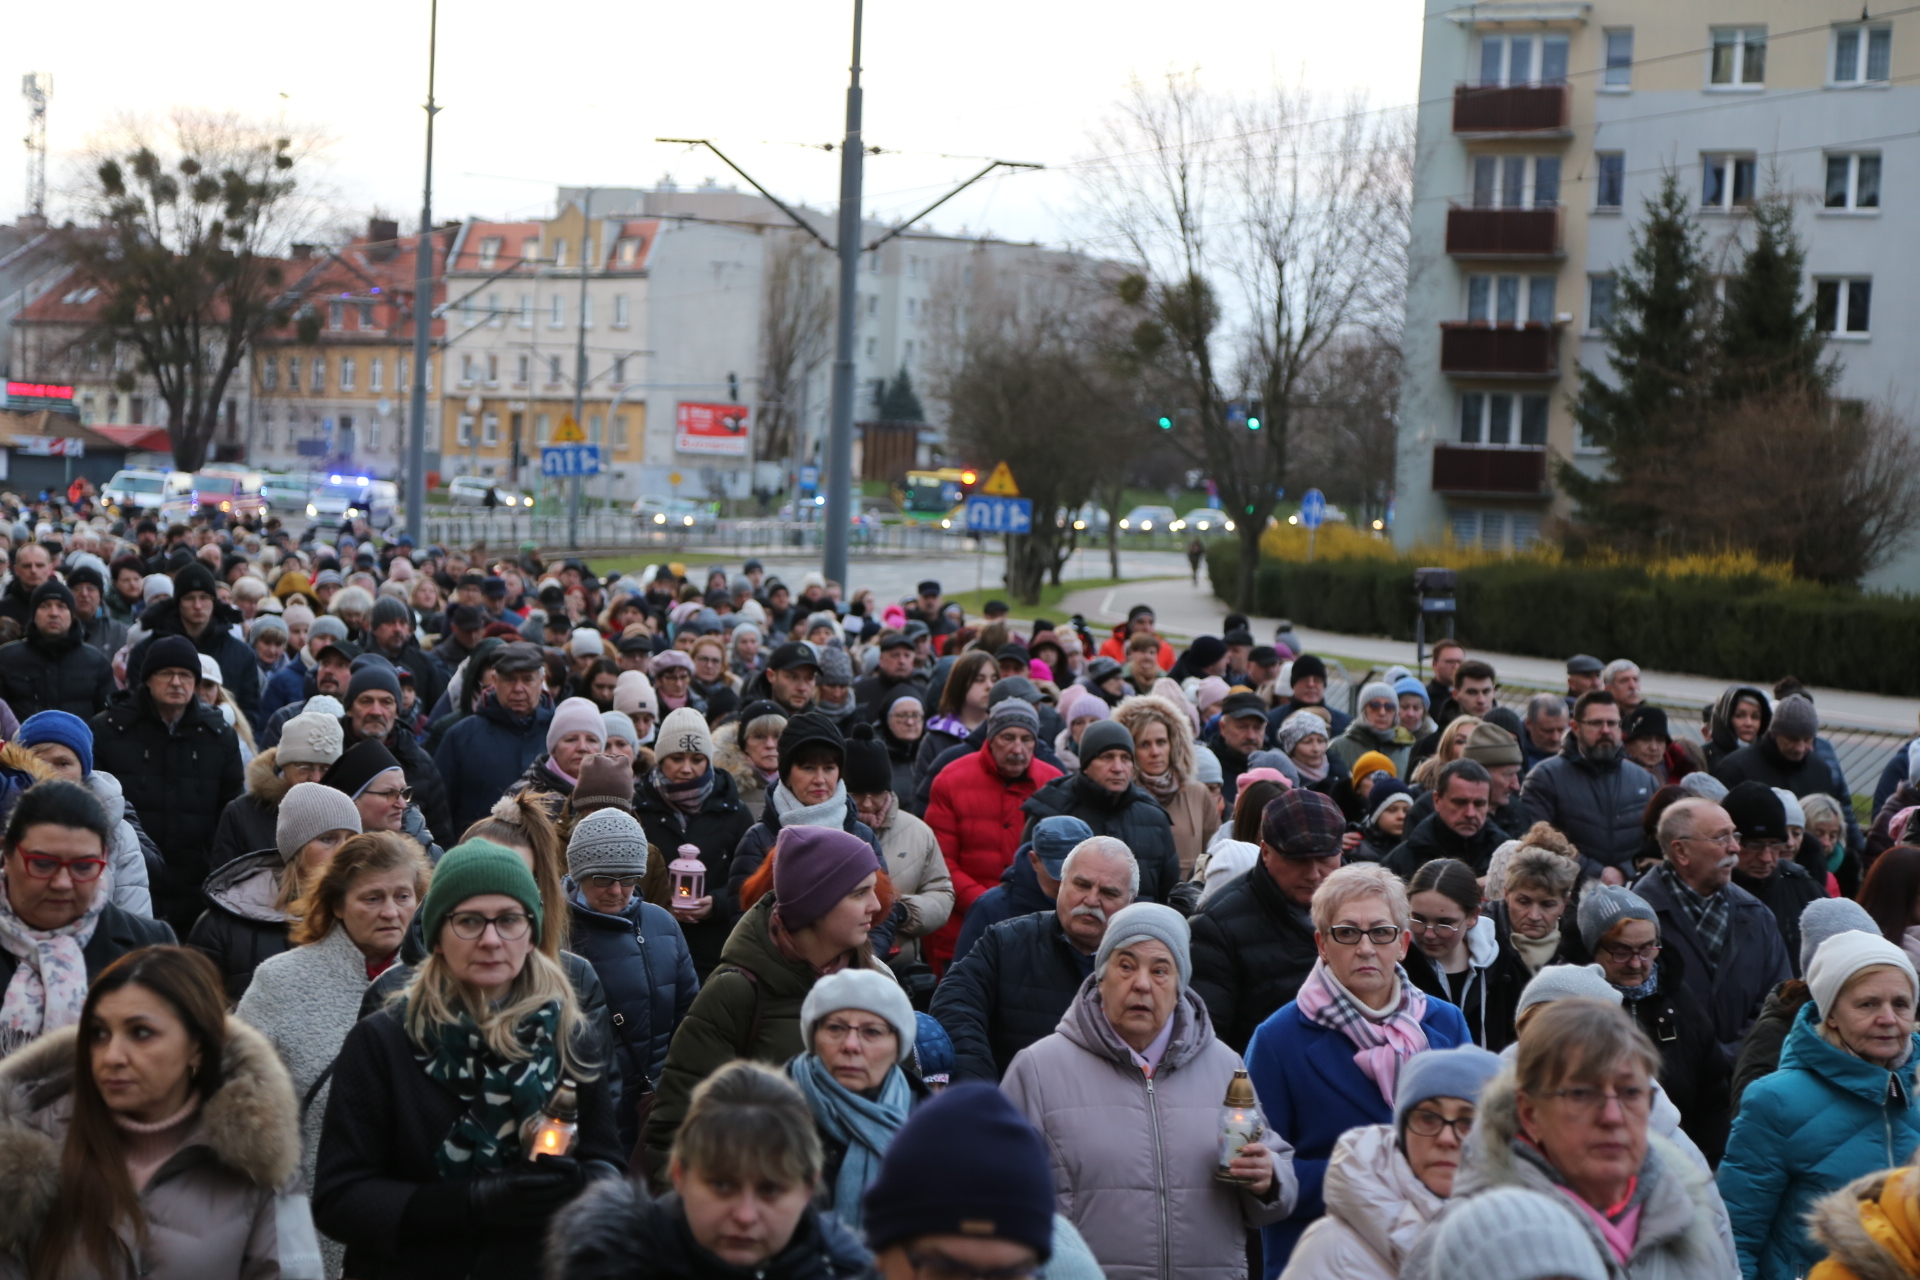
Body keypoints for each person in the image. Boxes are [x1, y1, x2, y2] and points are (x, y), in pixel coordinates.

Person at [313, 838, 623, 1280]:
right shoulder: (383, 1041)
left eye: (509, 920)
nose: (491, 940)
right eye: (469, 921)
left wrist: (574, 1187)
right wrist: (470, 1203)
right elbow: (340, 1199)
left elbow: (606, 1165)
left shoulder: (569, 1036)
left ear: (531, 933)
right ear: (438, 935)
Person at [1002, 903, 1296, 1280]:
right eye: (1126, 966)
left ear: (1179, 987)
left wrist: (1268, 1178)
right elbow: (998, 1197)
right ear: (1101, 977)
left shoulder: (1226, 1066)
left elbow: (1272, 1187)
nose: (1142, 984)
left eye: (1160, 970)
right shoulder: (1038, 1069)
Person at [0, 945, 319, 1280]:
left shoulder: (258, 1157)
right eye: (98, 1034)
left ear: (197, 1047)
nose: (112, 1056)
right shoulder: (27, 1150)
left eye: (141, 1033)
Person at [1398, 999, 1736, 1280]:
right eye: (1581, 1093)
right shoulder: (1469, 1241)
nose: (1612, 1116)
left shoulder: (1686, 1218)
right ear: (1530, 1114)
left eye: (1630, 1092)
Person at [1245, 863, 1472, 1273]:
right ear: (1322, 943)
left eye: (1381, 932)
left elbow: (1477, 1146)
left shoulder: (1446, 1023)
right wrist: (1380, 1177)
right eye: (1347, 933)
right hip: (1326, 1260)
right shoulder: (1277, 1039)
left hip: (1432, 1258)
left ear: (1403, 943)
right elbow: (1267, 1175)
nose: (1366, 948)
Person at [644, 826, 890, 1183]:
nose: (876, 905)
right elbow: (675, 1131)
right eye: (859, 893)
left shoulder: (875, 985)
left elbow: (905, 1114)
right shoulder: (736, 991)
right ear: (815, 903)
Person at [236, 830, 430, 1275]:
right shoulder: (280, 982)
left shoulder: (446, 983)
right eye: (372, 898)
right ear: (338, 904)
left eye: (403, 896)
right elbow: (237, 1101)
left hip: (411, 1233)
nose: (391, 912)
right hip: (304, 1229)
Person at [548, 1061, 871, 1280]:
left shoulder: (846, 1269)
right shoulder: (613, 1263)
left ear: (808, 1188)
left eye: (770, 1190)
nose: (745, 1215)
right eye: (722, 1186)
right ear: (680, 1174)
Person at [1720, 932, 1920, 1279]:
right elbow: (1736, 1236)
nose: (1888, 1018)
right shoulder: (1776, 1100)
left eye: (1901, 1004)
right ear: (1830, 1014)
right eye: (1868, 1004)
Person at [1279, 1045, 1506, 1280]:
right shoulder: (1330, 1249)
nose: (1446, 1138)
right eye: (1428, 1118)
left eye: (1468, 1122)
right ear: (1402, 1131)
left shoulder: (1522, 1235)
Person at [932, 835, 1138, 1082]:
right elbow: (954, 1007)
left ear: (1130, 902)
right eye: (1082, 885)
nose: (1092, 900)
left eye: (1108, 892)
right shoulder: (1004, 942)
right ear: (1061, 884)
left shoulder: (1147, 965)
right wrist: (980, 1089)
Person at [0, 780, 175, 1055]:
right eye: (43, 864)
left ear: (104, 859)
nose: (62, 883)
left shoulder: (150, 945)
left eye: (83, 866)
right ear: (6, 855)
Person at [564, 808, 699, 1156]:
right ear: (579, 874)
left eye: (627, 878)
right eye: (602, 879)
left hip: (656, 1109)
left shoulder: (663, 925)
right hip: (588, 1112)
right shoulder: (557, 931)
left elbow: (690, 1019)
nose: (616, 890)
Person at [93, 633, 245, 936]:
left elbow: (230, 814)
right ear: (148, 679)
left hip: (196, 884)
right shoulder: (109, 729)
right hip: (129, 880)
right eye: (166, 673)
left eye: (185, 675)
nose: (176, 682)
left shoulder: (219, 735)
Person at [1633, 796, 1792, 1068]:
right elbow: (1629, 1012)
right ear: (1681, 851)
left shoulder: (1756, 916)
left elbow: (1780, 1007)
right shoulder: (1636, 919)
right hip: (1664, 1081)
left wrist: (1730, 1058)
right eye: (1721, 838)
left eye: (1734, 835)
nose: (1735, 847)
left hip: (1743, 1079)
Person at [1580, 883, 1730, 1165]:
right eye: (1621, 951)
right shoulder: (1574, 1005)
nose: (1636, 963)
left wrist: (1709, 1159)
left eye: (1646, 949)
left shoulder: (1678, 998)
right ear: (1593, 949)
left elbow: (1713, 1090)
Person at [1191, 789, 1344, 1054]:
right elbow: (1208, 1043)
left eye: (1324, 858)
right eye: (1297, 859)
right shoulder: (1216, 926)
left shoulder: (1366, 906)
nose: (1313, 873)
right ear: (1265, 852)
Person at [189, 781, 364, 1000]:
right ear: (296, 849)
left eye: (351, 840)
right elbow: (196, 1008)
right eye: (327, 839)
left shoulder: (371, 916)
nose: (343, 851)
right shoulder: (223, 925)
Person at [922, 697, 1062, 969]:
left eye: (1026, 739)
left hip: (1037, 931)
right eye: (1008, 738)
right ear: (991, 738)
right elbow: (941, 863)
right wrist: (988, 906)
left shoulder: (1053, 782)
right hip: (963, 930)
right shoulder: (950, 780)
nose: (1018, 749)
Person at [786, 968, 921, 1229]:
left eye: (872, 1032)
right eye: (835, 1028)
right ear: (813, 1037)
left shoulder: (926, 1126)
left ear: (897, 1047)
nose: (850, 1045)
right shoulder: (772, 1115)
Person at [726, 712, 886, 920]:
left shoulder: (862, 836)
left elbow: (883, 912)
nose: (820, 779)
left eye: (829, 768)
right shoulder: (759, 839)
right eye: (808, 768)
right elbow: (744, 919)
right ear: (786, 775)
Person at [632, 707, 754, 981]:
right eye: (677, 758)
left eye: (697, 759)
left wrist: (716, 903)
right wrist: (662, 904)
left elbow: (750, 880)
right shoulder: (638, 809)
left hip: (716, 951)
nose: (687, 769)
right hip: (653, 947)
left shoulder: (734, 812)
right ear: (661, 759)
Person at [1021, 718, 1187, 910]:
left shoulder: (1153, 817)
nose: (1118, 768)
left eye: (1125, 758)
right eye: (1107, 757)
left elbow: (1169, 894)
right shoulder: (1051, 810)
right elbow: (1025, 888)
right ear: (1086, 764)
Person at [15, 709, 155, 916]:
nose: (49, 773)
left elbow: (135, 920)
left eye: (63, 763)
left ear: (83, 772)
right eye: (37, 762)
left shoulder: (120, 834)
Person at [1514, 690, 1655, 884]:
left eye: (1612, 723)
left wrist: (1625, 871)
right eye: (1596, 723)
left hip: (1632, 890)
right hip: (1567, 891)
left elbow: (1656, 844)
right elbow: (1538, 840)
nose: (1605, 730)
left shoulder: (1644, 781)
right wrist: (1596, 872)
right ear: (1575, 727)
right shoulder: (1545, 778)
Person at [845, 722, 952, 967]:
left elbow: (942, 893)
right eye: (858, 794)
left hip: (900, 967)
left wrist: (904, 912)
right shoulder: (827, 829)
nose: (868, 803)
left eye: (876, 793)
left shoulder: (918, 832)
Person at [1405, 858, 1528, 1052]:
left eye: (1444, 923)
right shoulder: (1397, 965)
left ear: (1473, 916)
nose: (1429, 934)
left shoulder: (1503, 969)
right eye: (1418, 919)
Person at [434, 641, 556, 834]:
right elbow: (439, 808)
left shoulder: (559, 735)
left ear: (541, 681)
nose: (518, 688)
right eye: (509, 679)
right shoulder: (462, 736)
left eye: (527, 680)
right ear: (494, 680)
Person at [124, 560, 261, 730]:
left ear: (214, 601)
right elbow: (137, 704)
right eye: (190, 598)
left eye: (204, 597)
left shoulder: (241, 654)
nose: (197, 606)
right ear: (178, 602)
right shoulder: (146, 651)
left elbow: (249, 711)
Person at [211, 707, 345, 870]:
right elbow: (225, 880)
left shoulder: (346, 817)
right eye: (305, 767)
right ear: (284, 767)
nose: (316, 778)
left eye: (325, 769)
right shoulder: (242, 814)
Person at [1113, 693, 1221, 877]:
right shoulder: (1120, 796)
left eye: (1161, 742)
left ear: (1173, 744)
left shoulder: (1197, 792)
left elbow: (1214, 852)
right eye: (1145, 744)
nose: (1155, 752)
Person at [1724, 780, 1827, 970]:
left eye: (1775, 845)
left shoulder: (1805, 890)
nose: (1766, 858)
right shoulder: (1710, 892)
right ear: (1730, 842)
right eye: (1754, 845)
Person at [0, 577, 116, 719]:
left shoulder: (96, 662)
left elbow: (109, 718)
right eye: (45, 606)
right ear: (34, 614)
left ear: (72, 614)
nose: (54, 613)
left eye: (61, 606)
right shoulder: (7, 659)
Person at [1385, 759, 1510, 879]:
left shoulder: (1508, 857)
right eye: (1460, 802)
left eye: (1479, 804)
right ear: (1437, 800)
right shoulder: (1400, 863)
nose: (1470, 813)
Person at [1489, 844, 1580, 974]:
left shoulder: (1579, 947)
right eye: (1523, 902)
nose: (1534, 916)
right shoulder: (1480, 937)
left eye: (1547, 905)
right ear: (1506, 895)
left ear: (1564, 903)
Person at [1329, 681, 1412, 780]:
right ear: (1363, 711)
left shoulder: (1406, 749)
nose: (1382, 712)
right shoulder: (1338, 747)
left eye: (1389, 707)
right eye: (1375, 705)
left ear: (1396, 713)